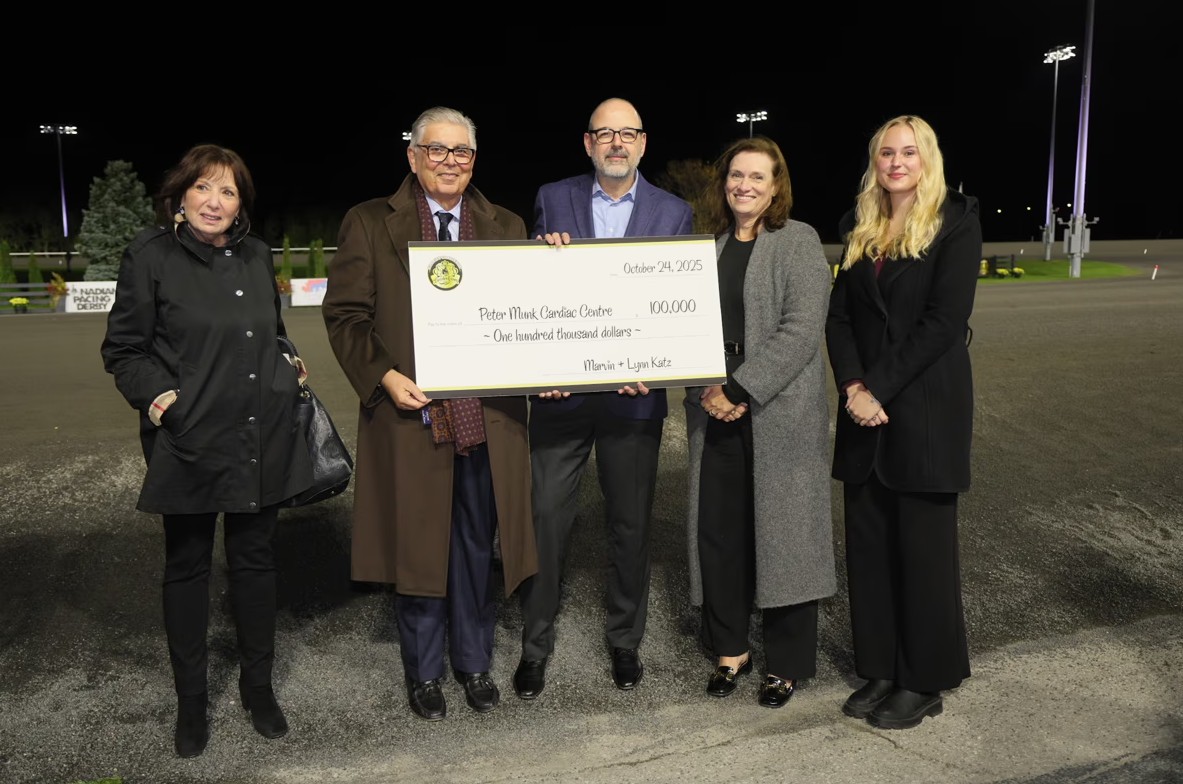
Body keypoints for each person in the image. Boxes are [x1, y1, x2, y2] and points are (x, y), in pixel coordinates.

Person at [321, 106, 537, 722]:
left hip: (486, 419)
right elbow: (346, 316)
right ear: (412, 156)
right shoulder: (370, 221)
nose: (449, 162)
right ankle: (423, 672)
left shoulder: (507, 225)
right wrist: (384, 376)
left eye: (461, 152)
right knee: (419, 546)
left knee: (475, 545)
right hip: (410, 417)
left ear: (474, 160)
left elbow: (530, 312)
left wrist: (553, 262)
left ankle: (473, 662)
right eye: (436, 150)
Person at [100, 144, 312, 758]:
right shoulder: (151, 254)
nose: (214, 202)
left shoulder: (256, 254)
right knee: (187, 568)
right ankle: (191, 701)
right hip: (189, 439)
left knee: (255, 563)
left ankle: (257, 688)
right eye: (203, 187)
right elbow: (124, 350)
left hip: (259, 433)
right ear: (181, 194)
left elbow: (271, 330)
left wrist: (287, 362)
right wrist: (164, 403)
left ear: (240, 204)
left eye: (228, 191)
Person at [513, 97, 694, 698]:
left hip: (632, 397)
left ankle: (624, 640)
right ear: (588, 143)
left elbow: (678, 307)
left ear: (643, 143)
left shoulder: (674, 212)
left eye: (628, 133)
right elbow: (530, 288)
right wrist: (540, 254)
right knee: (546, 520)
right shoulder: (553, 197)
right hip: (561, 392)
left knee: (630, 524)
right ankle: (534, 644)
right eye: (605, 134)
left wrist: (659, 367)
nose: (617, 143)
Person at [826, 114, 980, 730]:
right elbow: (840, 318)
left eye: (908, 152)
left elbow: (944, 322)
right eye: (887, 153)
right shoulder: (858, 224)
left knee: (923, 551)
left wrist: (876, 388)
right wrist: (852, 385)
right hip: (864, 410)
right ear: (875, 161)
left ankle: (924, 679)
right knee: (869, 548)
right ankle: (882, 668)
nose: (896, 162)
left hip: (925, 408)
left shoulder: (956, 220)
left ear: (927, 159)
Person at [683, 136, 835, 708]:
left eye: (757, 177)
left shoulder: (798, 241)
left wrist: (739, 387)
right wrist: (708, 389)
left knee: (786, 535)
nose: (743, 185)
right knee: (720, 531)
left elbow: (801, 328)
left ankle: (786, 662)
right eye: (735, 175)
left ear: (776, 187)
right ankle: (730, 649)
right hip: (713, 406)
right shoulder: (710, 246)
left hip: (778, 411)